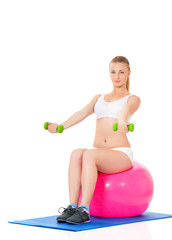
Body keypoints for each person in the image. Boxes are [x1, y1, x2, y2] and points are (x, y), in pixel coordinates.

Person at [48, 56, 141, 224]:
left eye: (121, 72)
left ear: (129, 73)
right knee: (76, 153)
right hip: (100, 152)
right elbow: (81, 113)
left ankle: (84, 209)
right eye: (113, 72)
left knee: (89, 155)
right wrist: (60, 126)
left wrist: (121, 121)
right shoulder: (99, 98)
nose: (117, 76)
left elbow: (125, 112)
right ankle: (72, 206)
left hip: (120, 154)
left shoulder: (132, 99)